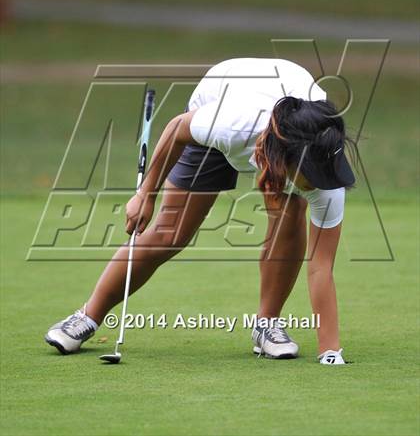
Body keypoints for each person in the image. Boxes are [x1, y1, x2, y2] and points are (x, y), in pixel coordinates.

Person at [45, 57, 356, 365]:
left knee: (288, 214)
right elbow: (177, 128)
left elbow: (321, 266)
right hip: (223, 92)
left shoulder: (324, 165)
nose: (319, 185)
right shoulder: (228, 125)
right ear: (282, 160)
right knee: (171, 233)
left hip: (281, 122)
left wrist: (330, 351)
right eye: (311, 176)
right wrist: (146, 194)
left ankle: (266, 326)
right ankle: (88, 316)